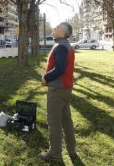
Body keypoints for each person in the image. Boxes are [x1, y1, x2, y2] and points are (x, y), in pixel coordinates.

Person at [39, 22, 78, 164]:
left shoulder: (61, 46)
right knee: (67, 120)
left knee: (54, 122)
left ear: (63, 33)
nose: (53, 29)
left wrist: (46, 77)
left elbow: (60, 68)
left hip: (58, 90)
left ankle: (55, 155)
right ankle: (72, 151)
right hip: (65, 89)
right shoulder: (65, 44)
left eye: (56, 28)